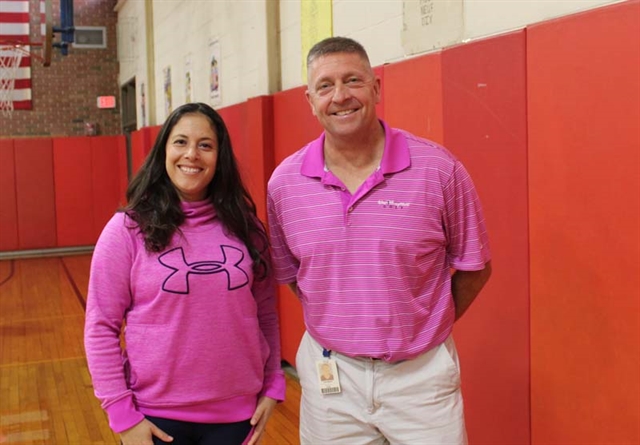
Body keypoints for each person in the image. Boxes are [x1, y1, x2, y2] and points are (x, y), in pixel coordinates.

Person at [267, 37, 492, 444]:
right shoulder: (284, 184)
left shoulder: (439, 169)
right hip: (330, 378)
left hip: (421, 379)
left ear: (376, 88)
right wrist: (347, 321)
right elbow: (295, 276)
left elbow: (475, 266)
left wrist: (419, 323)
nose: (340, 96)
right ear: (309, 99)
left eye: (353, 80)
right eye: (325, 86)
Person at [84, 102, 285, 445]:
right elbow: (100, 326)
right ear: (164, 150)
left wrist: (273, 385)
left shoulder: (246, 229)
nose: (192, 154)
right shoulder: (127, 230)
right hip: (155, 417)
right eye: (180, 142)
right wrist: (121, 415)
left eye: (205, 145)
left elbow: (265, 315)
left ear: (219, 157)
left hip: (237, 416)